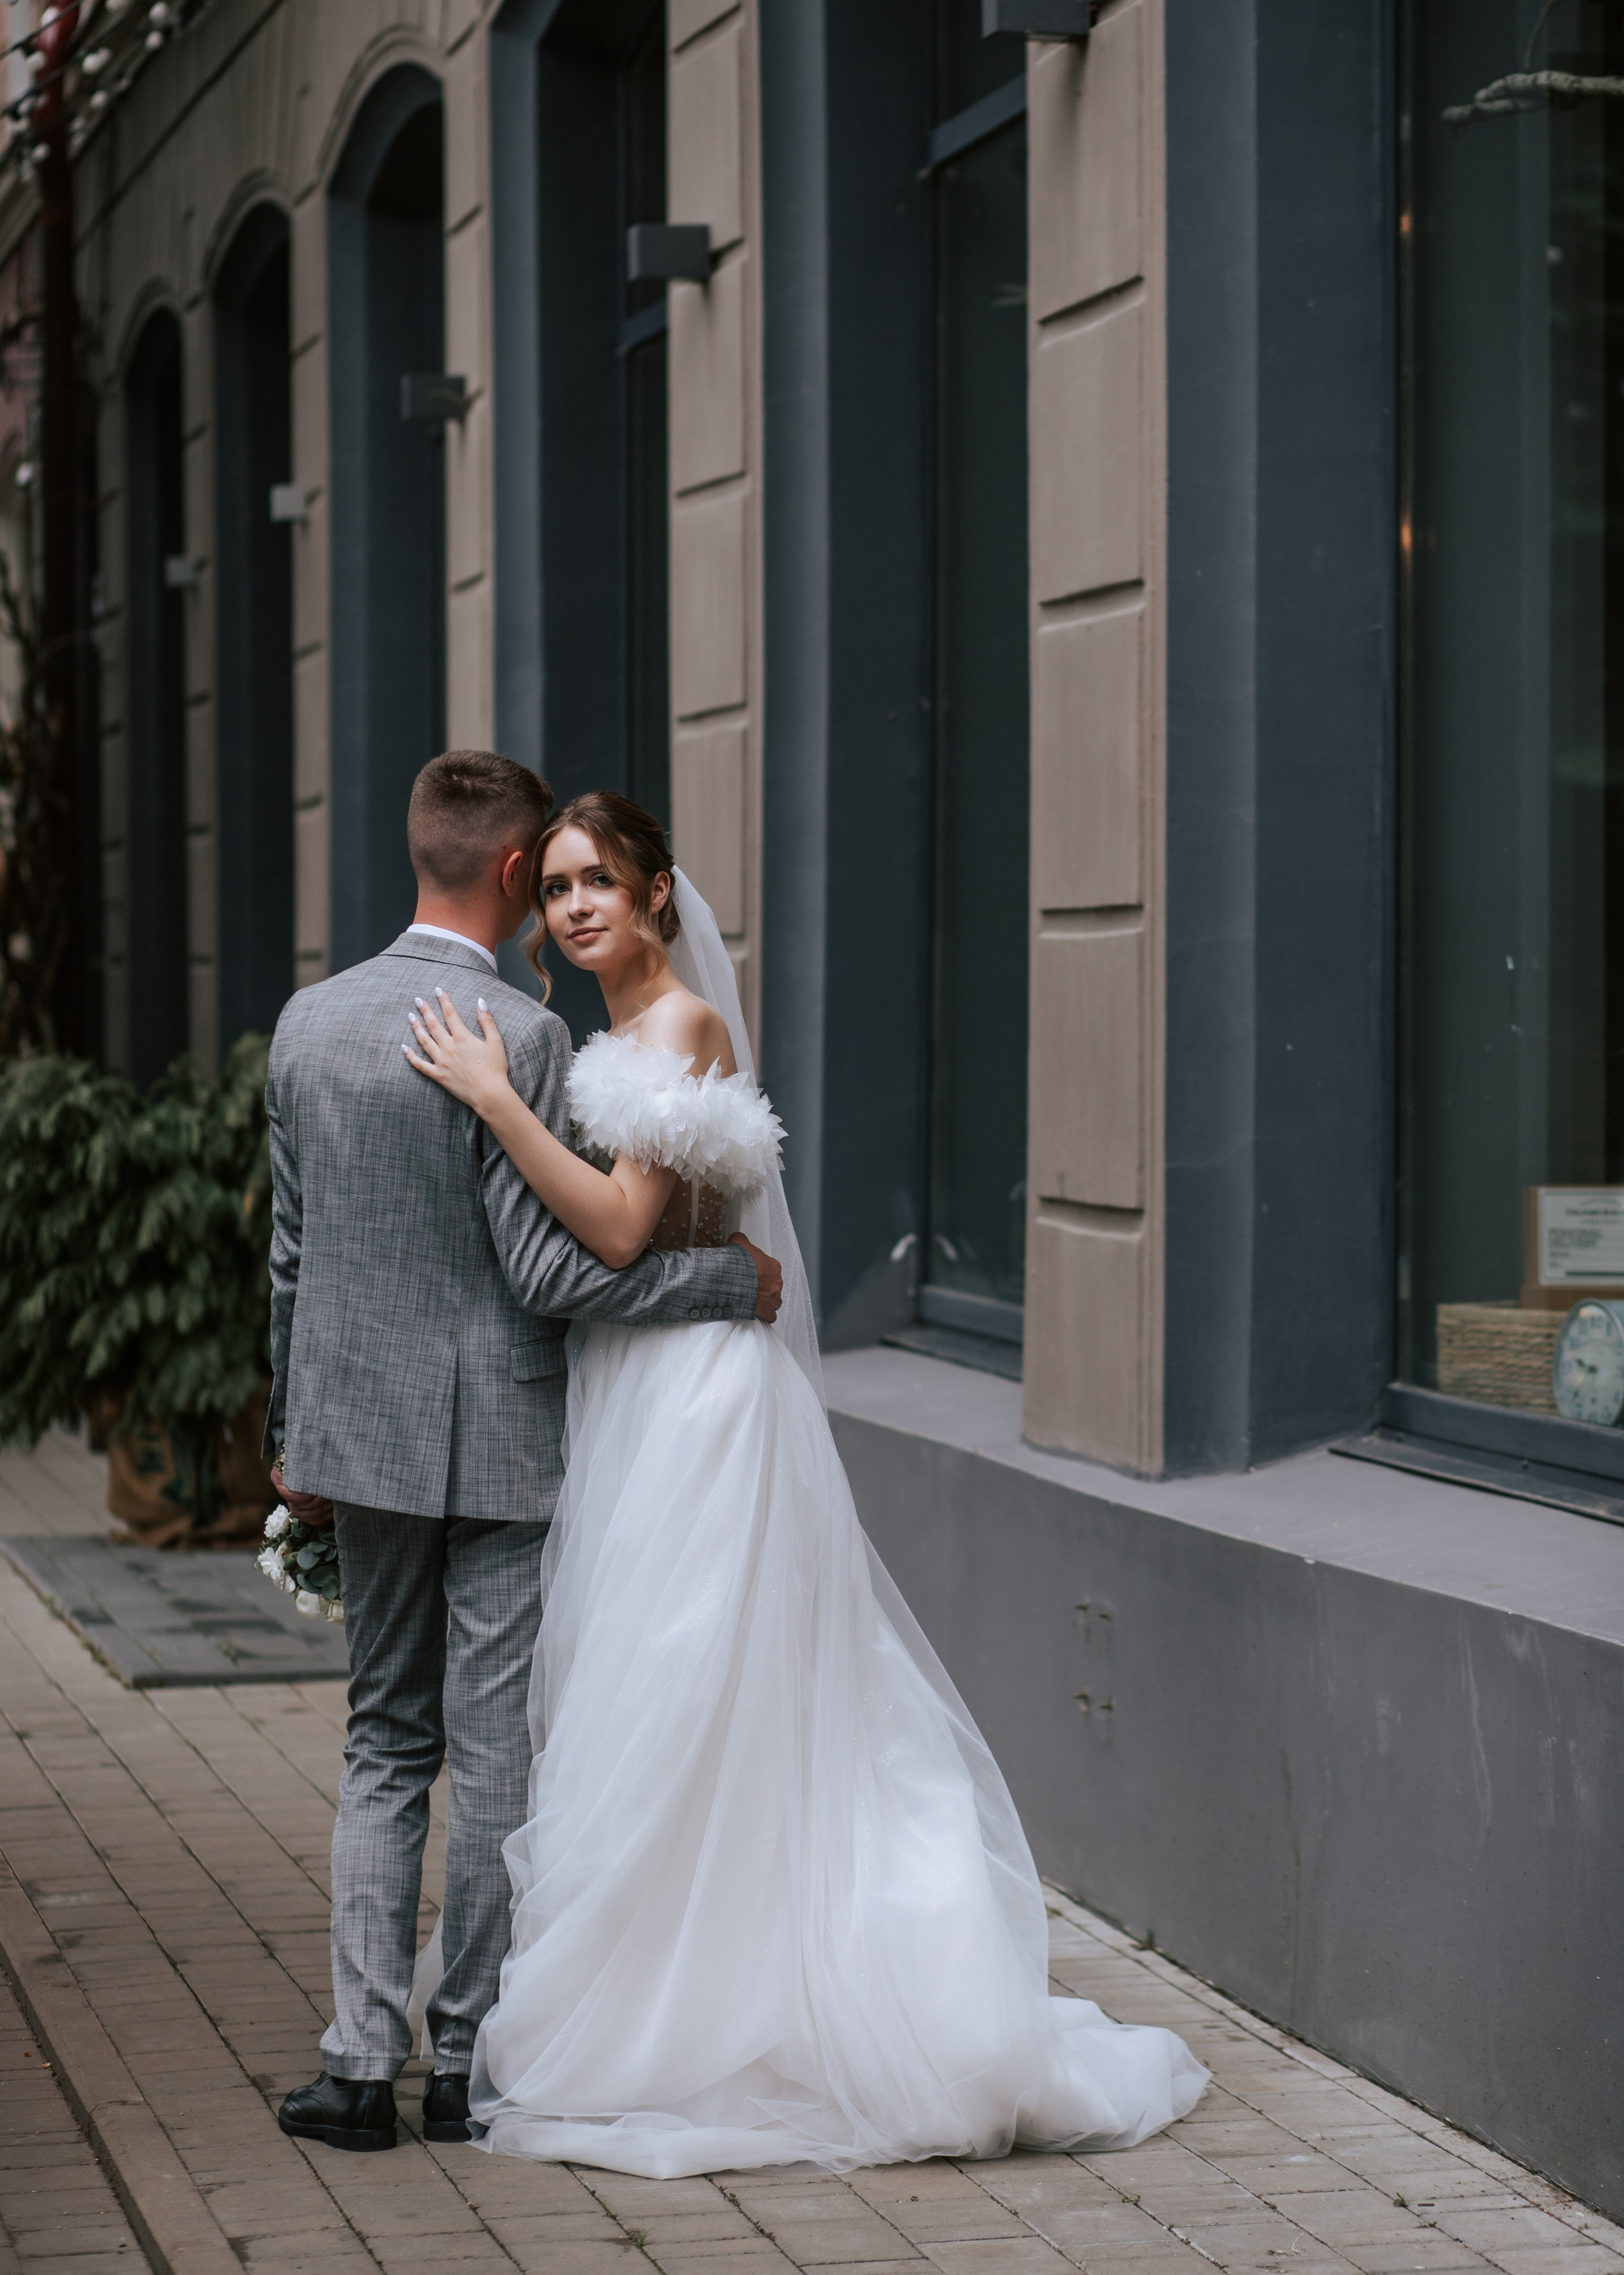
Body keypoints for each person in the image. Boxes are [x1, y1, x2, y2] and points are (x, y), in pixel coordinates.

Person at [402, 789, 1208, 2176]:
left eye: (602, 883)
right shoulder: (609, 1035)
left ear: (658, 895)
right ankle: (679, 1971)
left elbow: (617, 1231)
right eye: (560, 887)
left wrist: (492, 1102)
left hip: (698, 1403)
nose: (577, 907)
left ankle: (715, 2005)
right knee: (645, 1690)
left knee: (684, 1684)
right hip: (636, 1382)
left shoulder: (678, 1027)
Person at [266, 752, 783, 2156]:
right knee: (494, 1750)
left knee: (385, 1739)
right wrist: (725, 1282)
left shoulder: (308, 1022)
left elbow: (291, 1254)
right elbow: (556, 1273)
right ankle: (463, 2068)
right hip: (502, 1434)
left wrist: (290, 1438)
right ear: (514, 873)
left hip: (360, 1438)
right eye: (550, 881)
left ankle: (356, 2069)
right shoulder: (524, 1034)